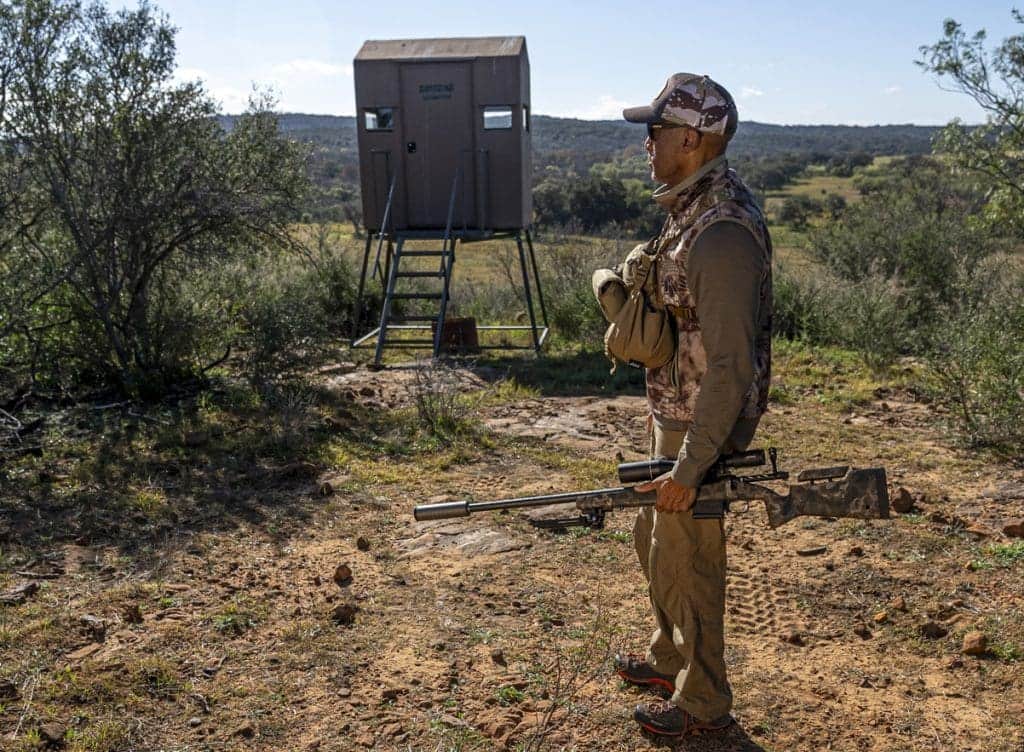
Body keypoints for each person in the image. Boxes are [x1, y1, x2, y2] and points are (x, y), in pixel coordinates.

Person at [611, 73, 773, 738]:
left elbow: (732, 367)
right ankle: (669, 658)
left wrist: (690, 468)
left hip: (701, 427)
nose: (646, 144)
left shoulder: (721, 233)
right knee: (657, 542)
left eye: (654, 132)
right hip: (676, 414)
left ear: (691, 138)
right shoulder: (689, 212)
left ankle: (704, 706)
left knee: (693, 561)